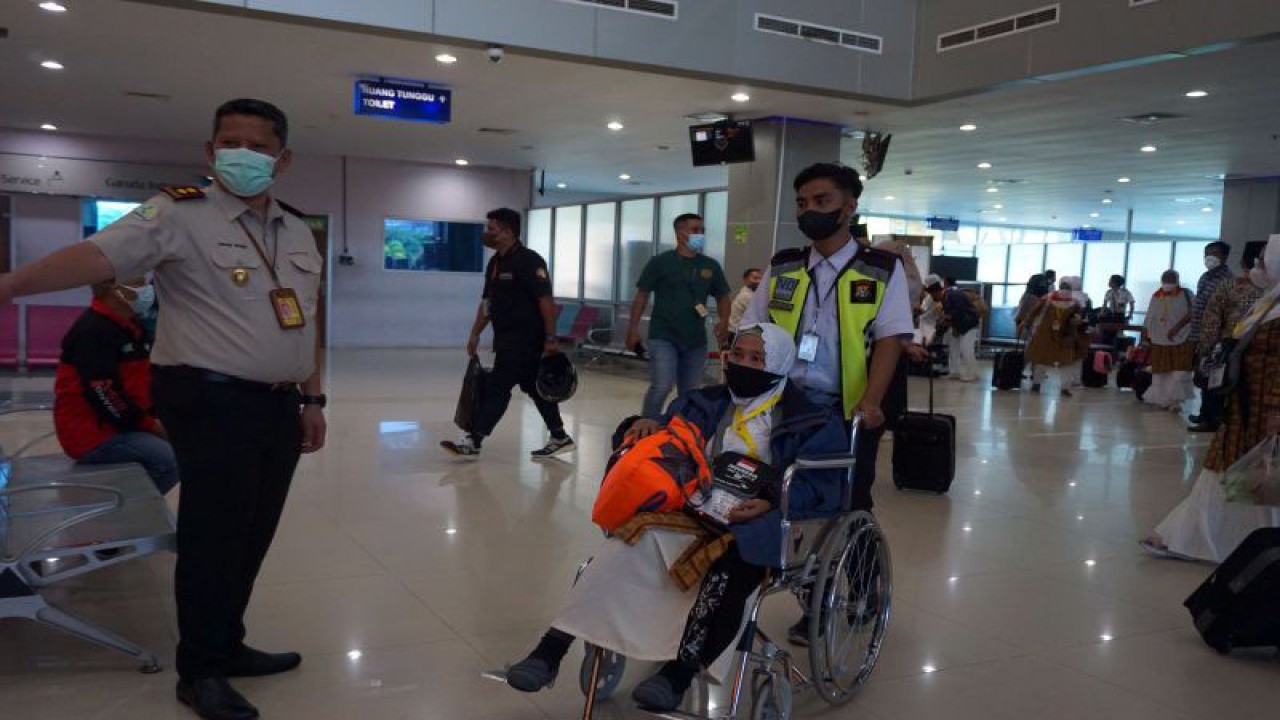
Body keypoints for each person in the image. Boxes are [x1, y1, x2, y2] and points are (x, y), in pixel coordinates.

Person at [0, 98, 326, 720]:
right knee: (213, 538)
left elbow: (303, 320)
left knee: (253, 534)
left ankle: (226, 644)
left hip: (279, 406)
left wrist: (312, 397)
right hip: (211, 399)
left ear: (282, 160)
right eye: (230, 142)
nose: (243, 154)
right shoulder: (178, 212)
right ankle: (199, 672)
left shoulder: (293, 229)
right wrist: (12, 285)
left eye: (258, 146)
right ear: (210, 151)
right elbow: (97, 256)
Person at [503, 324, 848, 711]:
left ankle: (678, 674)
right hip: (694, 502)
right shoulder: (701, 403)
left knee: (732, 563)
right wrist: (642, 426)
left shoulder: (812, 421)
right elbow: (668, 437)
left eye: (757, 359)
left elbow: (825, 486)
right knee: (631, 541)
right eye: (738, 355)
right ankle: (550, 650)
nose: (743, 364)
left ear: (780, 365)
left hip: (756, 518)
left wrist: (773, 502)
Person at [739, 162, 911, 645]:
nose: (809, 211)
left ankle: (861, 587)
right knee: (787, 501)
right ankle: (812, 596)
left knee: (847, 502)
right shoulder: (785, 265)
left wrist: (871, 401)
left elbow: (891, 339)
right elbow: (755, 329)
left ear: (849, 206)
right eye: (802, 203)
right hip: (787, 405)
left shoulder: (881, 269)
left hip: (848, 407)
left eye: (821, 201)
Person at [1142, 236, 1280, 562]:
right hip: (1244, 407)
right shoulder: (1269, 302)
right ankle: (1195, 538)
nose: (1257, 267)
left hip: (1267, 409)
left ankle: (1252, 545)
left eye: (1263, 261)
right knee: (1226, 473)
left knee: (1264, 477)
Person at [440, 208, 574, 460]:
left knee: (498, 387)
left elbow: (545, 299)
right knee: (534, 387)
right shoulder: (495, 263)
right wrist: (475, 333)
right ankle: (559, 436)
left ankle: (473, 440)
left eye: (491, 228)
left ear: (508, 232)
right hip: (505, 338)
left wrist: (550, 337)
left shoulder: (529, 260)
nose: (487, 233)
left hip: (526, 339)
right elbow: (487, 303)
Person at [54, 278, 178, 495]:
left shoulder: (131, 326)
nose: (147, 290)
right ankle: (130, 509)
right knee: (170, 461)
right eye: (138, 285)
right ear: (115, 291)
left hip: (126, 425)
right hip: (94, 434)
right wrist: (153, 427)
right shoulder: (93, 331)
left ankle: (135, 504)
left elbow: (142, 383)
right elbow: (104, 393)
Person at [627, 213, 732, 417]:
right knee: (662, 385)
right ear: (680, 233)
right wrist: (633, 329)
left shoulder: (710, 265)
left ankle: (681, 428)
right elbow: (642, 295)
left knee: (690, 392)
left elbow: (723, 296)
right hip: (663, 335)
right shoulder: (660, 262)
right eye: (695, 230)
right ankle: (647, 424)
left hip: (695, 339)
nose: (700, 234)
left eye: (702, 230)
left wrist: (724, 322)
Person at [1189, 242, 1268, 432]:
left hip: (1227, 345)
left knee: (1218, 383)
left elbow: (1212, 319)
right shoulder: (1271, 290)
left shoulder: (1229, 285)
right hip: (1260, 350)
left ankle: (1214, 419)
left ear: (1241, 262)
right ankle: (1218, 418)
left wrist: (1206, 347)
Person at [1190, 242, 1242, 431]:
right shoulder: (1205, 277)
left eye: (1214, 253)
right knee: (1204, 377)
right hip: (1202, 336)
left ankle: (1213, 419)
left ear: (1225, 257)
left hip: (1216, 338)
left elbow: (1223, 313)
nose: (1209, 257)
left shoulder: (1227, 280)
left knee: (1215, 378)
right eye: (1207, 253)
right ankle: (1204, 413)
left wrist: (1215, 340)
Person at [1141, 270, 1196, 410]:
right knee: (1160, 371)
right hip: (1159, 339)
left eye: (1171, 280)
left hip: (1183, 337)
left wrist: (1177, 328)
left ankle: (1175, 401)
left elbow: (1193, 312)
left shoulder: (1186, 294)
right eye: (1165, 280)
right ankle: (1160, 399)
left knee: (1179, 371)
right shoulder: (1156, 295)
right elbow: (1149, 315)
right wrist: (1145, 334)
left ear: (1177, 280)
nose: (1168, 283)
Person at [1024, 276, 1088, 396]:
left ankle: (1061, 387)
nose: (1065, 290)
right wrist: (1027, 324)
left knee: (1063, 362)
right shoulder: (1049, 299)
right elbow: (1033, 313)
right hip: (1048, 334)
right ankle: (1039, 384)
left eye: (1067, 287)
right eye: (1063, 287)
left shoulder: (1073, 303)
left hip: (1063, 335)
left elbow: (1079, 318)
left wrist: (1076, 321)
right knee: (1045, 360)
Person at [930, 278, 981, 382]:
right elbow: (949, 316)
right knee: (954, 348)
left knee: (966, 349)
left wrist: (946, 319)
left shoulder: (952, 295)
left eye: (932, 295)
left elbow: (957, 310)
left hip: (969, 325)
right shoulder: (947, 297)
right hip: (959, 325)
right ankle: (954, 372)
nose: (933, 297)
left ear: (937, 292)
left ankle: (973, 374)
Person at [728, 267, 762, 333]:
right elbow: (759, 316)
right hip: (735, 333)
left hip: (739, 331)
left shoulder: (749, 293)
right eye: (755, 278)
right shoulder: (746, 296)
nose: (759, 281)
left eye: (760, 278)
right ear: (745, 280)